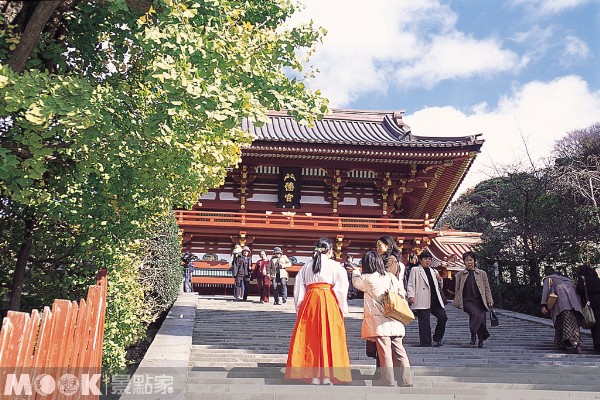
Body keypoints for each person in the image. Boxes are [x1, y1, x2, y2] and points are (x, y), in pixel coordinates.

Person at [285, 237, 351, 385]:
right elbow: (341, 288)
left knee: (311, 337)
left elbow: (298, 288)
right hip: (328, 300)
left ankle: (312, 375)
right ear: (330, 250)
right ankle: (327, 376)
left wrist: (299, 306)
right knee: (329, 336)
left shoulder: (306, 266)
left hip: (310, 300)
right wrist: (342, 307)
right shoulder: (335, 266)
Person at [352, 251, 412, 387]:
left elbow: (356, 283)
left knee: (385, 352)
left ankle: (388, 380)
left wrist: (355, 271)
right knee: (399, 351)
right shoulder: (391, 277)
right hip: (395, 318)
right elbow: (401, 292)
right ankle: (406, 380)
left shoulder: (367, 278)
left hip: (380, 322)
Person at [452, 251, 494, 348]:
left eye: (471, 260)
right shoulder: (460, 275)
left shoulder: (482, 273)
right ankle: (473, 332)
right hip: (468, 300)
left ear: (475, 261)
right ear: (464, 262)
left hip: (480, 300)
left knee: (482, 319)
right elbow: (457, 289)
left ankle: (480, 340)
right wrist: (458, 301)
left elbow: (487, 287)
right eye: (467, 260)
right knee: (476, 314)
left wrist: (489, 299)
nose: (469, 262)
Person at [406, 250, 447, 347]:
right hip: (422, 298)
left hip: (435, 299)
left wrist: (440, 279)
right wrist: (411, 296)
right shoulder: (415, 270)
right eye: (425, 259)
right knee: (424, 322)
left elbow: (440, 286)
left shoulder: (434, 271)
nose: (427, 261)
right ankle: (425, 342)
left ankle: (437, 338)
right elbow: (410, 284)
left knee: (443, 317)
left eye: (429, 259)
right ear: (420, 260)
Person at [541, 267, 583, 353]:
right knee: (573, 324)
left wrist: (543, 304)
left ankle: (573, 343)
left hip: (561, 304)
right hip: (575, 305)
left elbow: (545, 292)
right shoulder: (570, 282)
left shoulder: (549, 278)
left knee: (562, 323)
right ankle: (565, 343)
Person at [575, 264, 600, 353]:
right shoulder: (597, 279)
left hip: (591, 303)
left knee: (593, 323)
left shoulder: (583, 279)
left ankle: (597, 346)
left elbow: (579, 289)